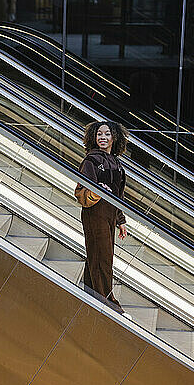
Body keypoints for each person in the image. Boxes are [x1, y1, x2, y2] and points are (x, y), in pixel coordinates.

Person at [75, 121, 132, 320]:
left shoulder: (117, 164)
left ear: (114, 138)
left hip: (109, 214)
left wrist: (121, 220)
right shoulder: (91, 160)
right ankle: (108, 302)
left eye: (107, 134)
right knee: (103, 257)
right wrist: (97, 189)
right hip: (95, 213)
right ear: (94, 137)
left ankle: (89, 294)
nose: (103, 137)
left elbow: (119, 195)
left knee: (98, 254)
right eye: (99, 134)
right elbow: (82, 188)